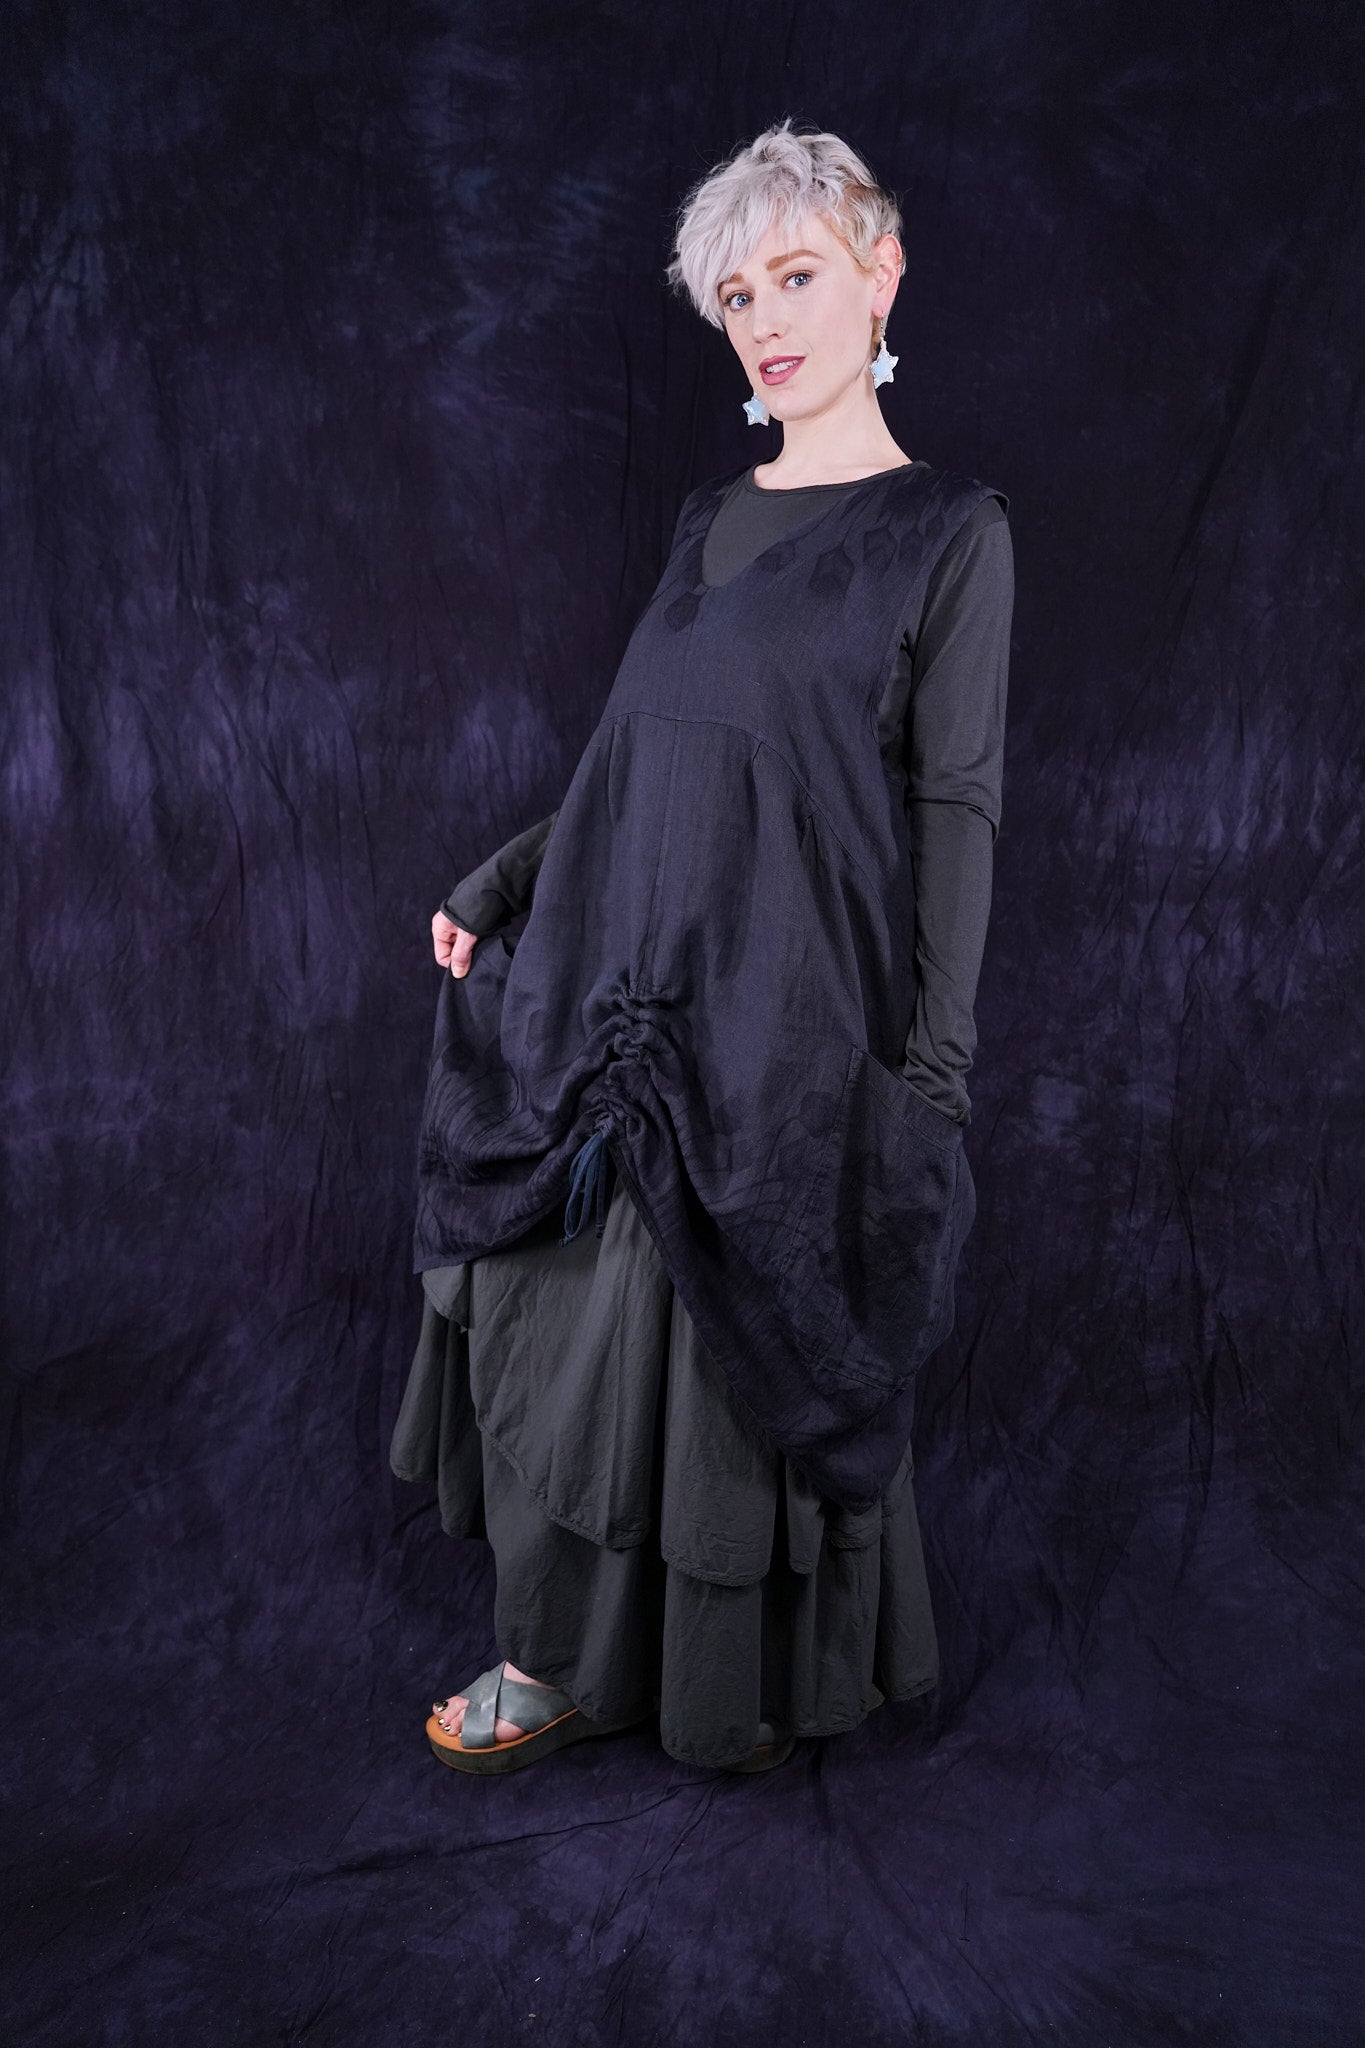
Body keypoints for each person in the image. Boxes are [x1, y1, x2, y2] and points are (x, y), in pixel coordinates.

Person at [390, 118, 1014, 1777]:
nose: (764, 322)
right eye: (736, 296)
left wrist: (933, 1072)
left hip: (786, 1010)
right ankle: (555, 1655)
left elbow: (956, 812)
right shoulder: (702, 518)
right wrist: (502, 884)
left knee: (741, 1355)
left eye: (793, 276)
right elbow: (637, 753)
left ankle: (716, 1678)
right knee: (579, 1330)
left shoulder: (949, 533)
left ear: (879, 275)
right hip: (622, 988)